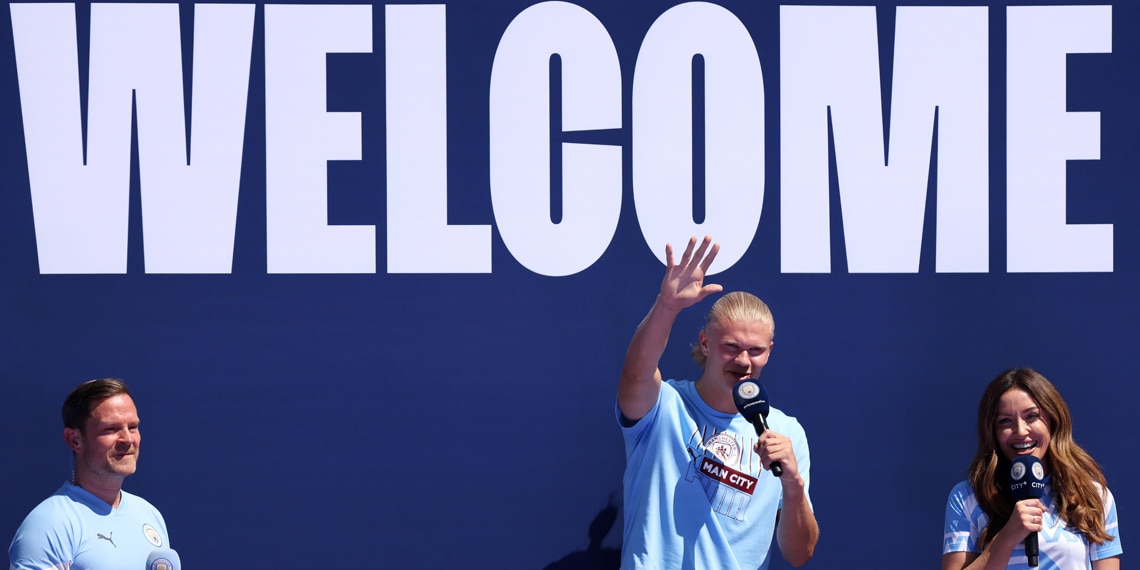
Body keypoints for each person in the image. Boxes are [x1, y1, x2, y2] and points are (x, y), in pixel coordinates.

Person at [616, 236, 818, 569]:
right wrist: (667, 307)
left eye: (755, 350)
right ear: (705, 343)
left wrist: (793, 484)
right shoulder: (664, 406)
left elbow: (799, 554)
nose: (743, 361)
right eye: (731, 347)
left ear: (769, 351)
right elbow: (635, 375)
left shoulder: (785, 433)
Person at [942, 368, 1122, 570]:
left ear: (1053, 420)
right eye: (1005, 421)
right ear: (992, 431)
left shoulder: (1092, 495)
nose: (1020, 431)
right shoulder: (967, 497)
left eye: (1032, 416)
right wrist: (1007, 537)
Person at [8, 378, 171, 570]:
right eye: (111, 428)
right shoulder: (48, 525)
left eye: (133, 427)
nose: (127, 439)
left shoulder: (150, 515)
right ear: (74, 440)